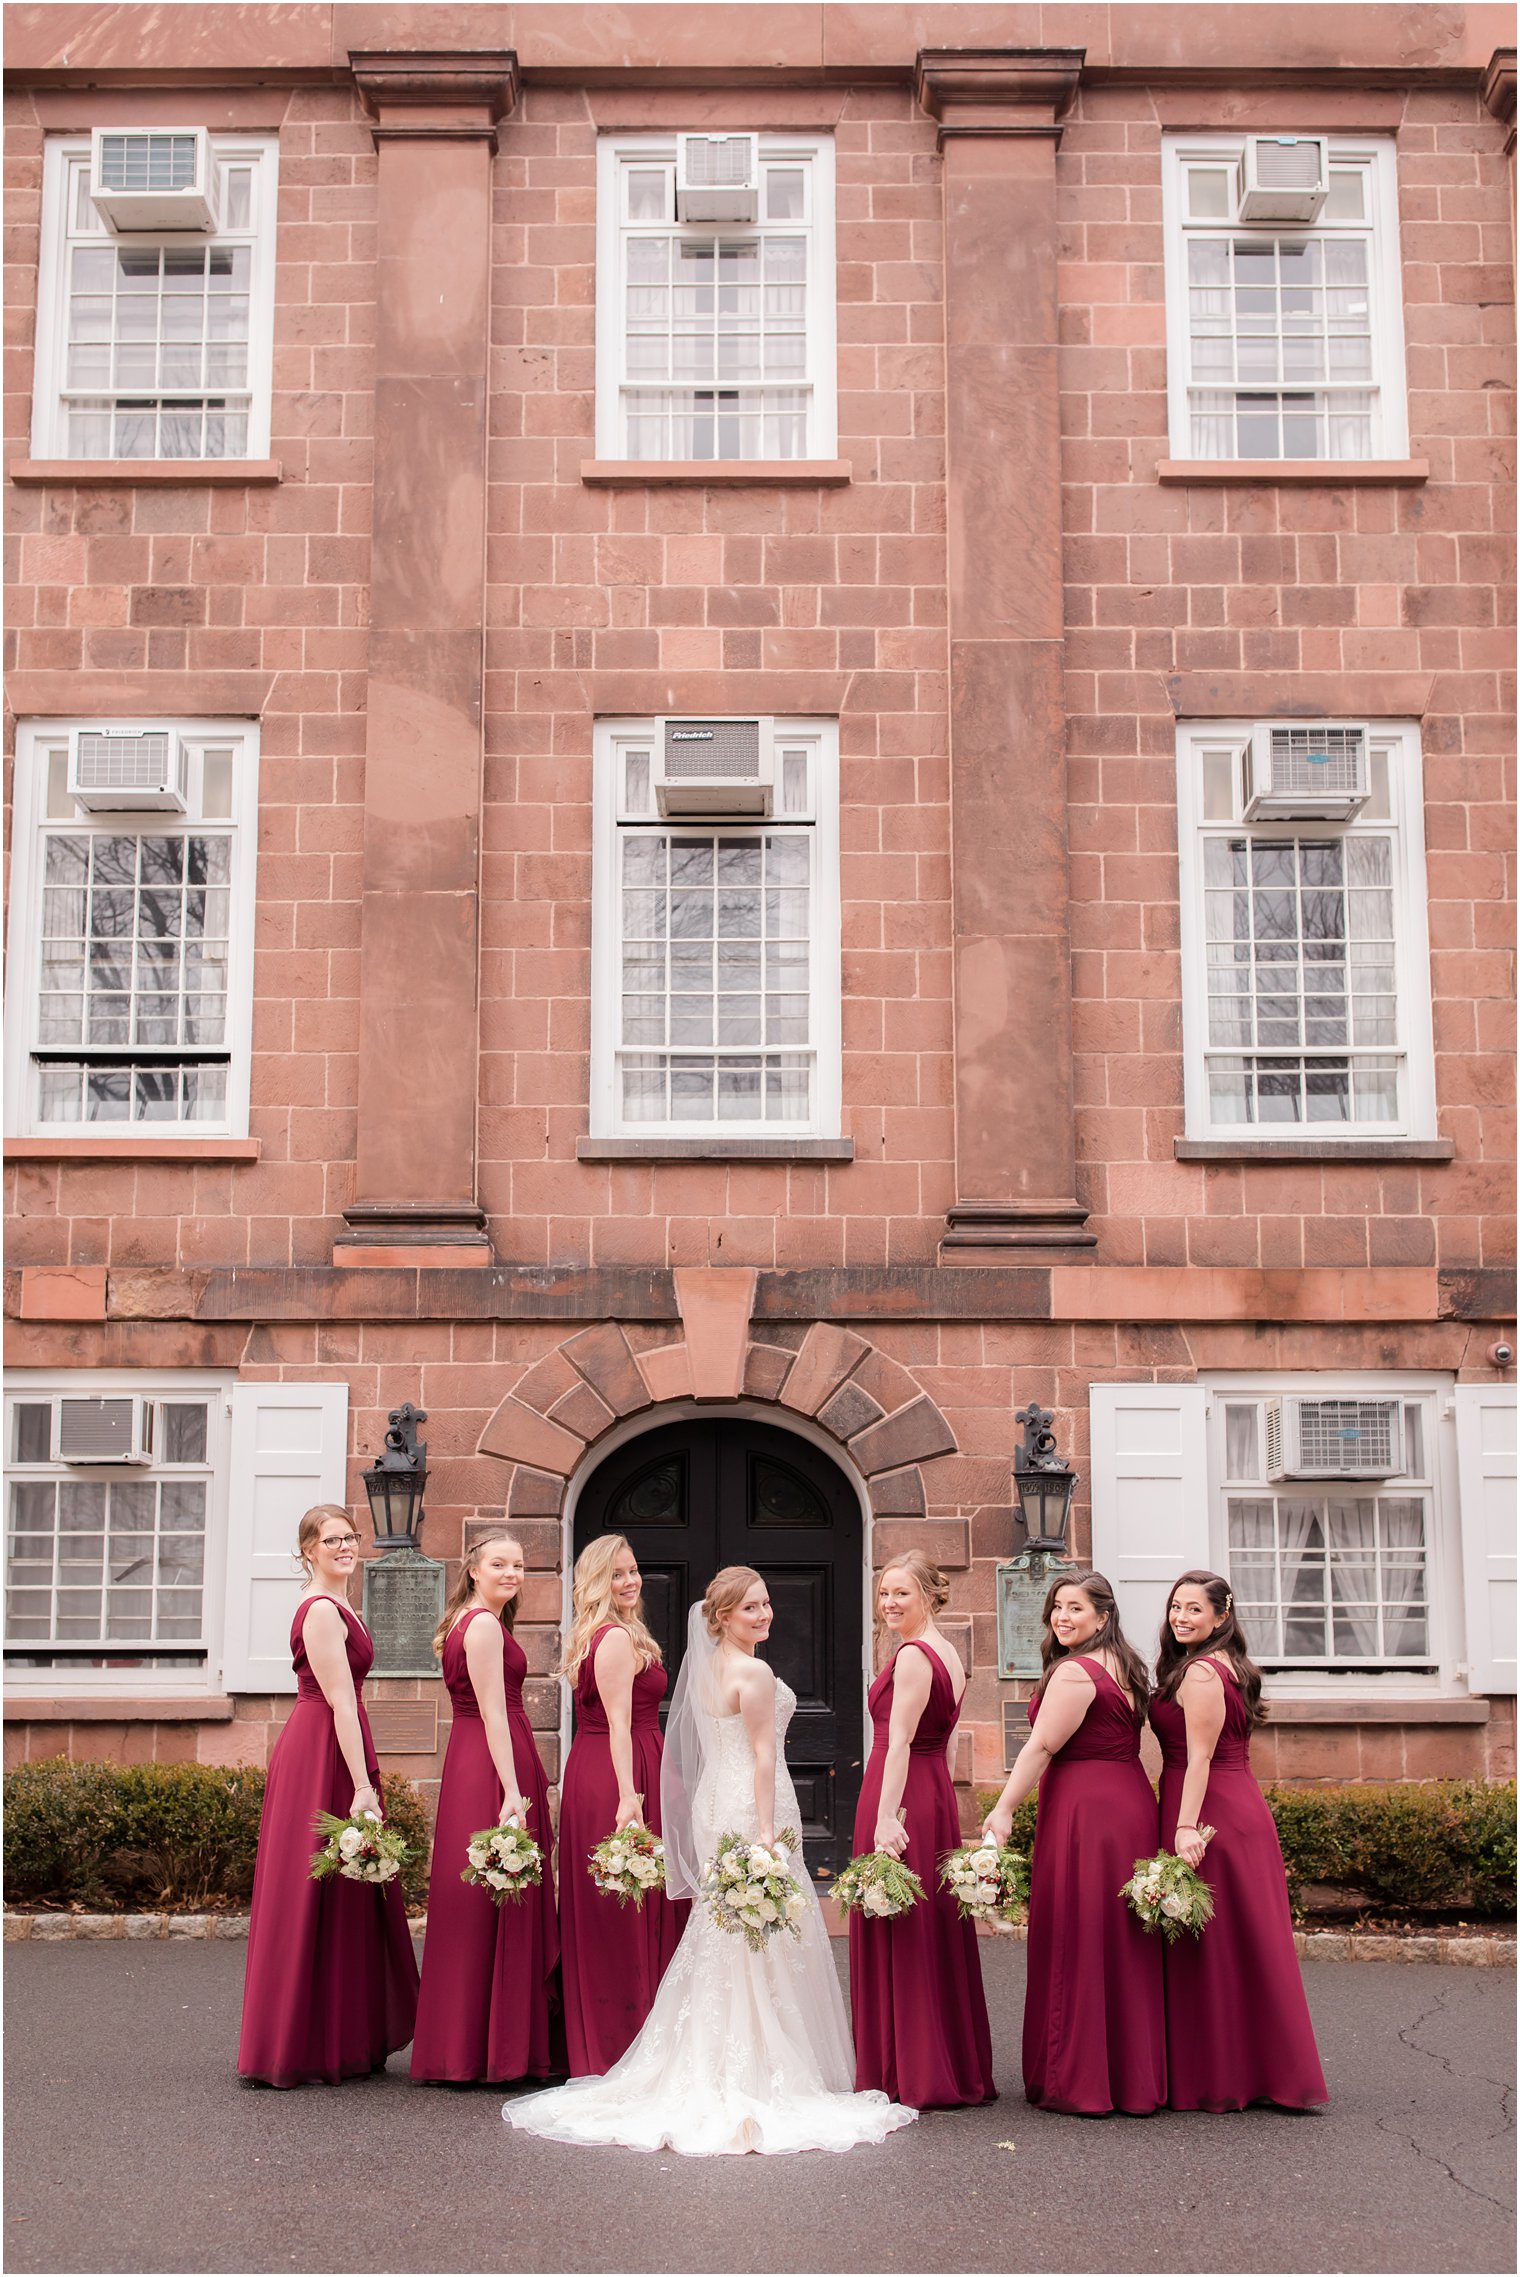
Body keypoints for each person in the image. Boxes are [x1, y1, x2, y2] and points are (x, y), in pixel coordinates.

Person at [504, 1566, 916, 2156]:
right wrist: (769, 1831)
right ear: (722, 1617)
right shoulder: (753, 1671)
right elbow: (763, 1756)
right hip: (752, 1803)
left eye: (767, 1604)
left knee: (727, 1927)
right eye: (751, 1608)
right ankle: (762, 2064)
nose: (765, 1614)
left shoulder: (713, 1668)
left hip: (716, 1803)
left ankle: (723, 2051)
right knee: (762, 1925)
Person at [237, 1505, 418, 2086]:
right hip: (321, 1751)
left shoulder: (344, 1606)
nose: (345, 1546)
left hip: (341, 1742)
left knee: (347, 1893)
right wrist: (362, 1784)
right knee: (313, 1889)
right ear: (308, 1550)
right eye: (331, 1539)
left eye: (350, 1536)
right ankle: (294, 2044)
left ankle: (344, 2035)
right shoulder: (319, 1610)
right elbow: (340, 1700)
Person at [981, 1568, 1164, 2116]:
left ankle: (1077, 2078)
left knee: (1078, 1934)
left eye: (1075, 1608)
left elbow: (1038, 1748)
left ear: (1103, 1616)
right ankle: (1131, 2077)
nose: (1062, 1616)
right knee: (1120, 1937)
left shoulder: (1076, 1673)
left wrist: (1004, 1807)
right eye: (1057, 1606)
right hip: (1129, 1800)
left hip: (1086, 1811)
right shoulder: (1127, 1665)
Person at [1150, 1570, 1328, 2111]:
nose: (1180, 1617)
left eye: (1193, 1609)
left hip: (1209, 1810)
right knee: (1238, 1941)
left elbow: (1199, 1756)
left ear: (1222, 1616)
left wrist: (1184, 1826)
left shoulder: (1203, 1672)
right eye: (1175, 1607)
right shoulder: (1222, 1664)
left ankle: (1222, 2075)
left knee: (1216, 1943)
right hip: (1230, 1801)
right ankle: (1251, 2070)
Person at [411, 1532, 563, 2084]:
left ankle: (474, 2043)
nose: (511, 1573)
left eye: (519, 1565)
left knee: (484, 1897)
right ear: (473, 1569)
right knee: (491, 1896)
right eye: (499, 1564)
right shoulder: (480, 1626)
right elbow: (494, 1716)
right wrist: (510, 1792)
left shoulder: (477, 1622)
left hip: (476, 1758)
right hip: (490, 1761)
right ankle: (488, 2048)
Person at [849, 1552, 996, 2109]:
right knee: (927, 1924)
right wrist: (946, 1811)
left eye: (901, 1594)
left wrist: (888, 1817)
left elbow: (902, 1741)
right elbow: (950, 1739)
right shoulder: (948, 1653)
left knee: (901, 1921)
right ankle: (939, 2060)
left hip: (901, 1790)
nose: (889, 1603)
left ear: (930, 1597)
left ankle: (903, 2068)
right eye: (884, 1593)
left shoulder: (913, 1656)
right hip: (930, 1791)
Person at [556, 1534, 686, 2074]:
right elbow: (615, 1724)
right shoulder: (610, 1639)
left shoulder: (625, 1632)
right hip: (617, 1772)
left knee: (636, 1901)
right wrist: (630, 1794)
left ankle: (644, 2030)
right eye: (617, 1574)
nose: (630, 1581)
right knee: (622, 1908)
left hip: (634, 1762)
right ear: (596, 1582)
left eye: (632, 1570)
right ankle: (618, 2043)